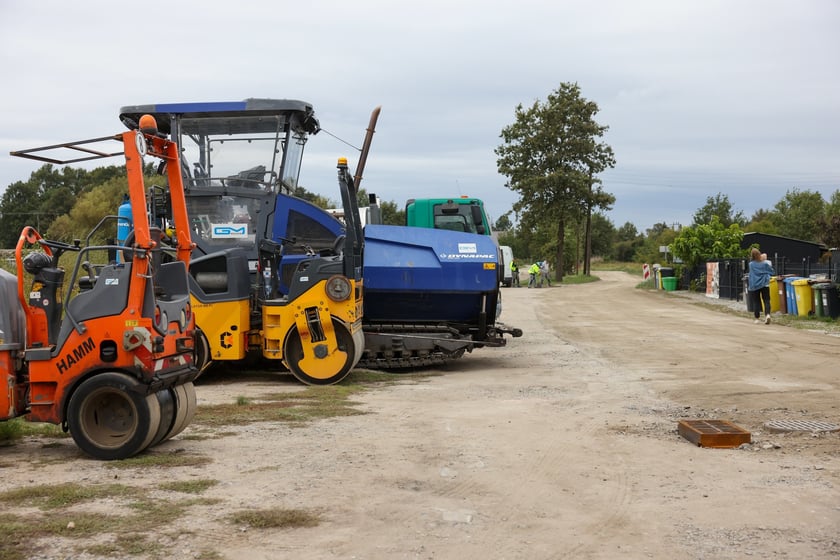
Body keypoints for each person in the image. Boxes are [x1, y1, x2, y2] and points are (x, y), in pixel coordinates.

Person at [748, 247, 775, 324]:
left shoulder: (751, 265)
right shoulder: (765, 264)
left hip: (754, 285)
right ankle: (767, 315)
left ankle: (757, 318)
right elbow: (772, 272)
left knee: (756, 301)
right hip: (764, 284)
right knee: (766, 300)